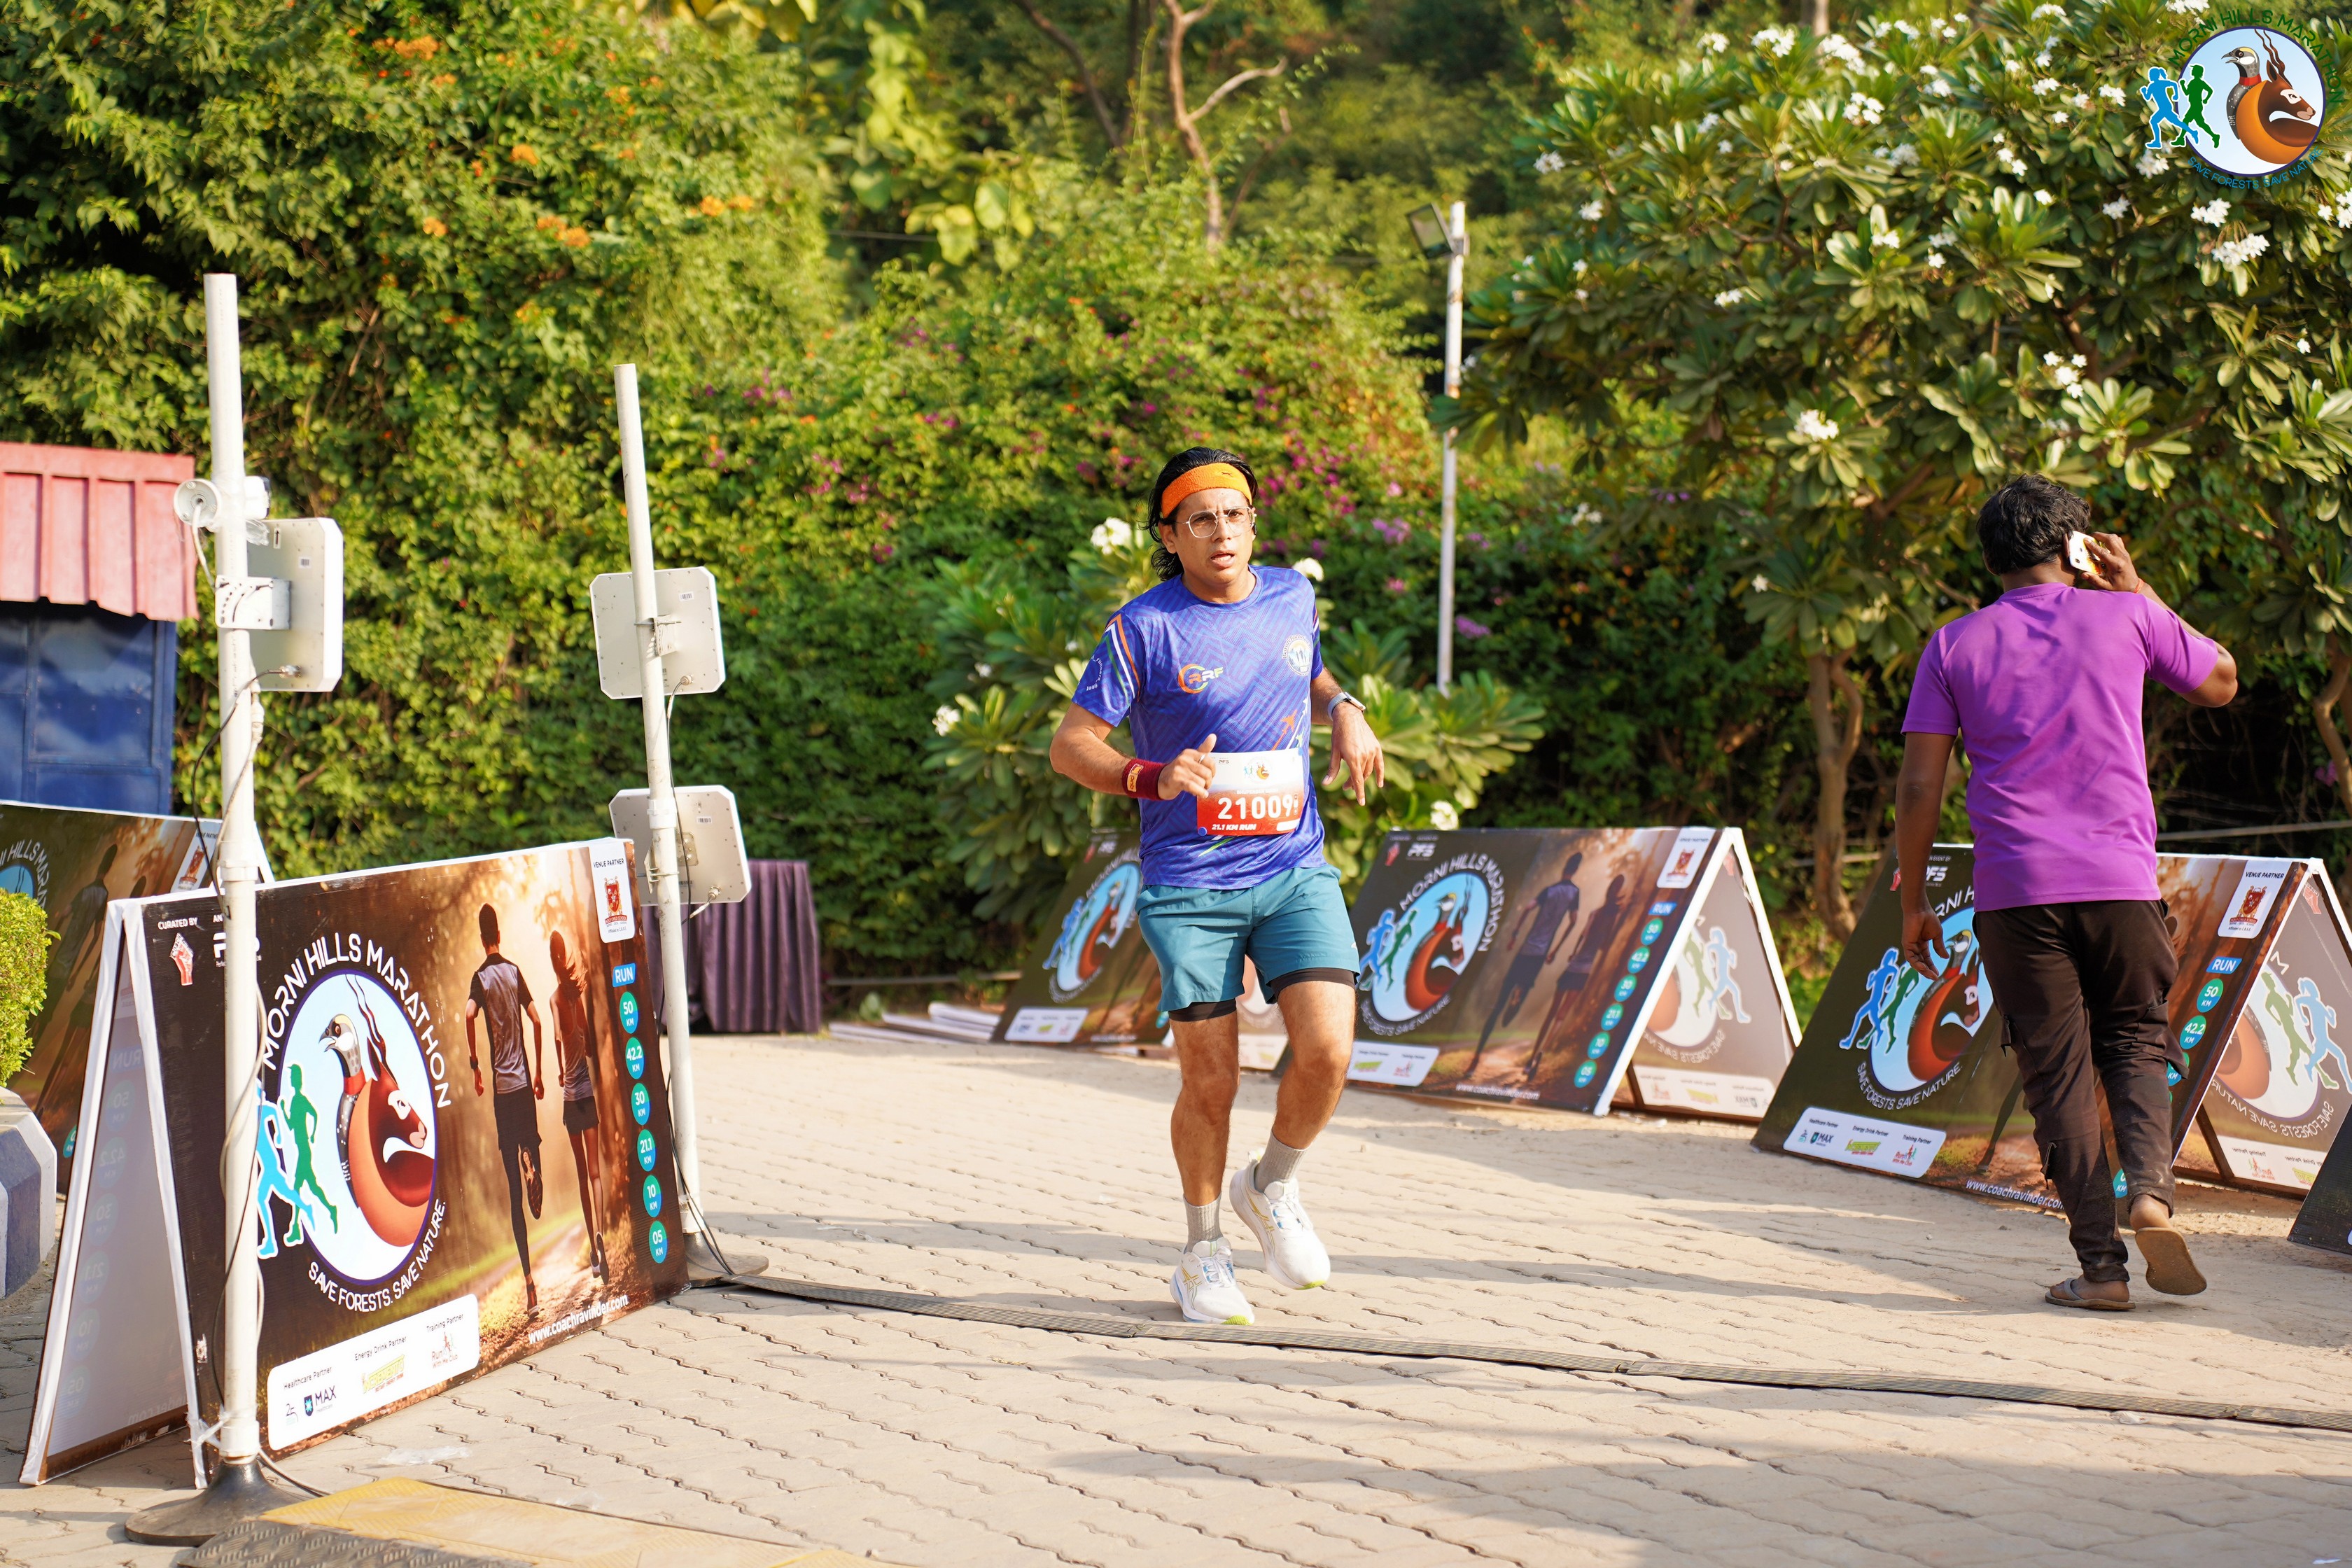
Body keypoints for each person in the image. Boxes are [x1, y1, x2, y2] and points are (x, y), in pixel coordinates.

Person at [1050, 447, 1385, 1325]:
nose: (1221, 532)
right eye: (1200, 519)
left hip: (1293, 867)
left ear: (1252, 523)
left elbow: (1307, 670)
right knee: (1212, 1080)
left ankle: (1270, 1185)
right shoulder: (1142, 630)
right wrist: (1150, 776)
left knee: (1328, 1049)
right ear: (1170, 536)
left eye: (1234, 514)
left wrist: (1345, 708)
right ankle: (1201, 1254)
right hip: (1191, 883)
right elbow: (1070, 744)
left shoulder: (1292, 595)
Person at [1893, 475, 2237, 1312]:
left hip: (2016, 892)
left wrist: (1912, 903)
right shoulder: (2128, 616)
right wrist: (2139, 589)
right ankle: (2150, 1191)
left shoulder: (1953, 644)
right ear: (2076, 547)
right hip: (2121, 884)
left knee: (2056, 1073)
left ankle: (2102, 1270)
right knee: (2137, 1037)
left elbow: (1919, 783)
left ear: (1991, 558)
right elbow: (2221, 679)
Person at [468, 904, 547, 1313]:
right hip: (523, 1089)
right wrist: (538, 1073)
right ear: (499, 934)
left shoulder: (480, 979)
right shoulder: (514, 973)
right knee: (532, 1150)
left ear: (482, 938)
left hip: (501, 1094)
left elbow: (468, 1015)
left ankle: (529, 1285)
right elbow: (537, 1020)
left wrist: (476, 1067)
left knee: (515, 1195)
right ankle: (531, 1160)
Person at [1466, 853, 1585, 1077]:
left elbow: (1528, 908)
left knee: (1498, 1005)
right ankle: (1519, 994)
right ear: (1576, 870)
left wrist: (1515, 934)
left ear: (1564, 868)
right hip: (1539, 955)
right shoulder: (1573, 894)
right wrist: (1557, 948)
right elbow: (1574, 922)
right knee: (1523, 990)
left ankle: (1476, 1057)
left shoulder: (1549, 891)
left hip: (1525, 951)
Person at [549, 928, 608, 1284]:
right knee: (596, 1172)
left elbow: (558, 1038)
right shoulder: (577, 997)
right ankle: (601, 1232)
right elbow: (586, 1045)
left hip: (571, 1101)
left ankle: (594, 1252)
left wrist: (561, 1069)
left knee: (582, 1177)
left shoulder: (554, 1000)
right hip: (587, 1096)